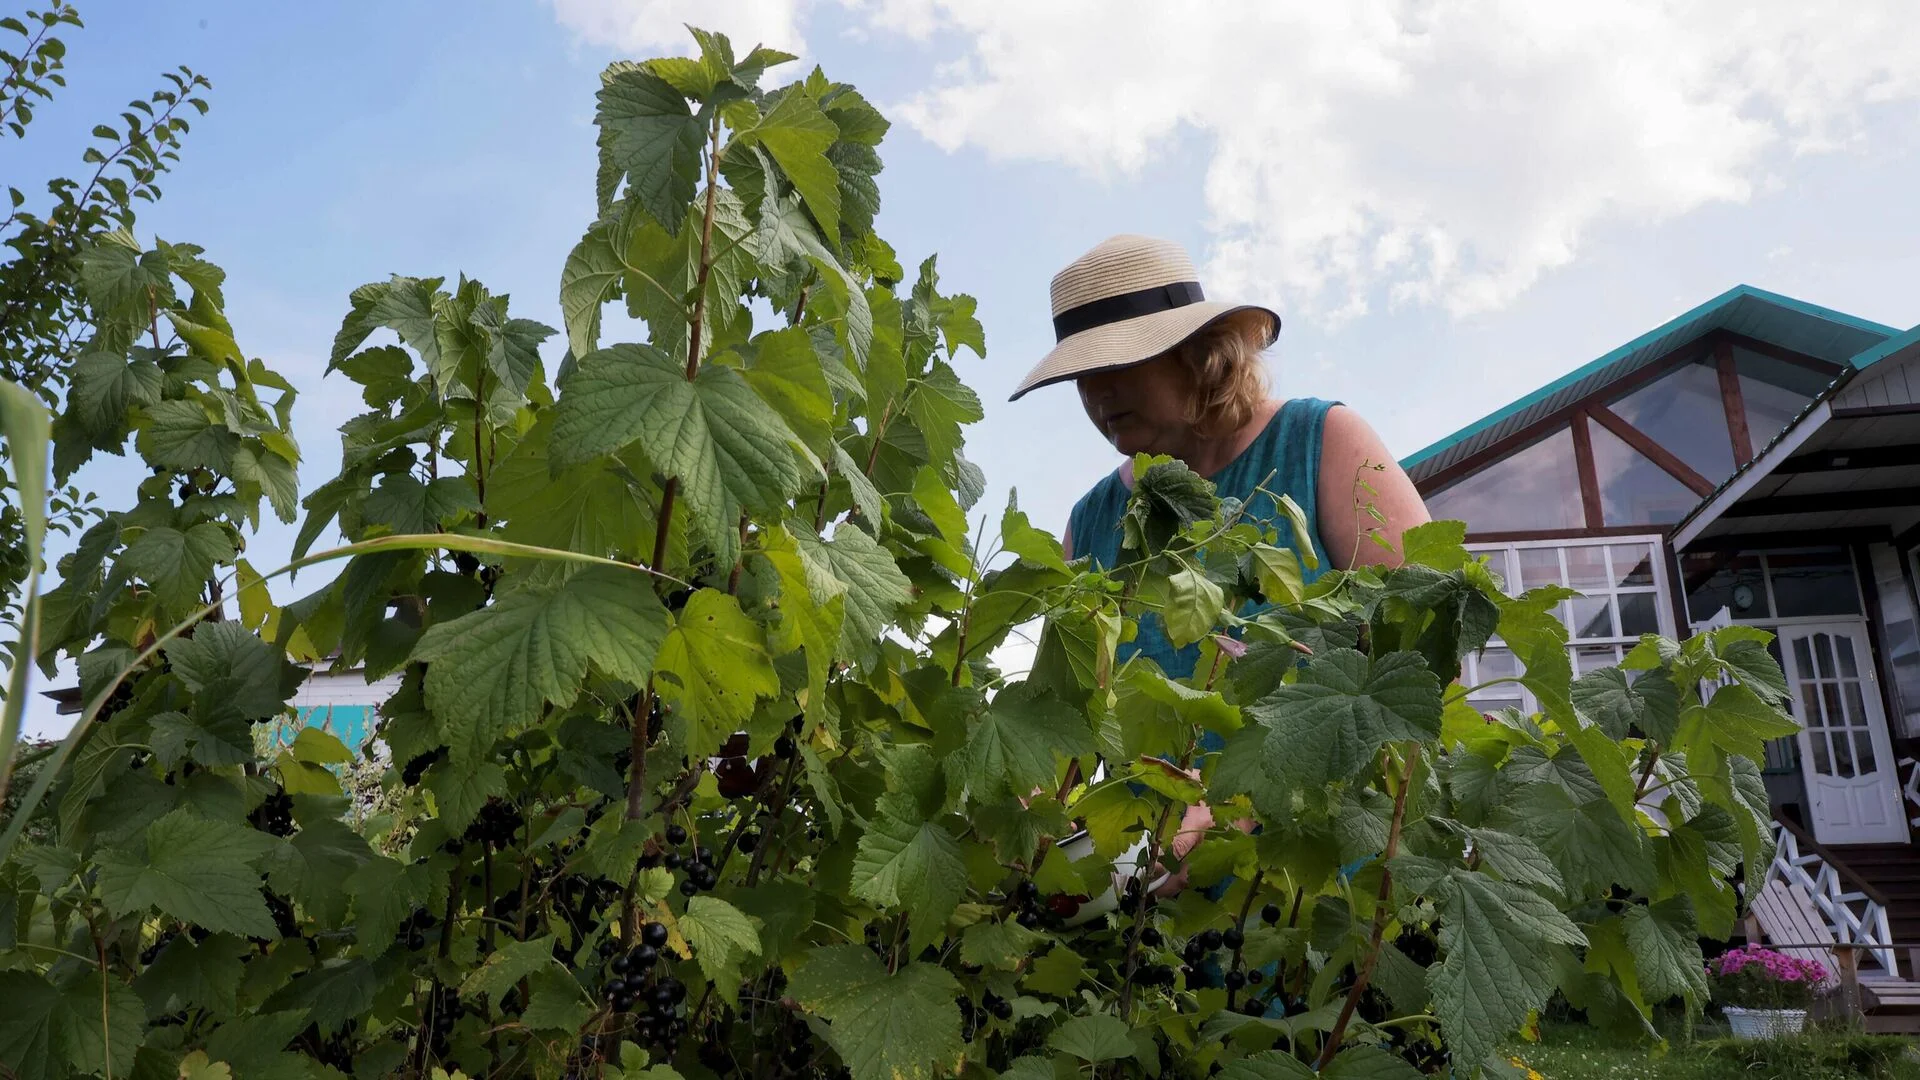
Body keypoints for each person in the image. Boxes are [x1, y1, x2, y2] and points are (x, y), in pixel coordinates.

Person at [1011, 233, 1430, 901]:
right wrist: (1034, 827)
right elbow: (1061, 728)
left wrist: (1241, 801)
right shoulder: (1092, 522)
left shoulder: (1321, 442)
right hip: (1155, 927)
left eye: (1117, 366)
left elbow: (1421, 655)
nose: (1096, 395)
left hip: (1332, 898)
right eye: (1082, 376)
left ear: (1199, 355)